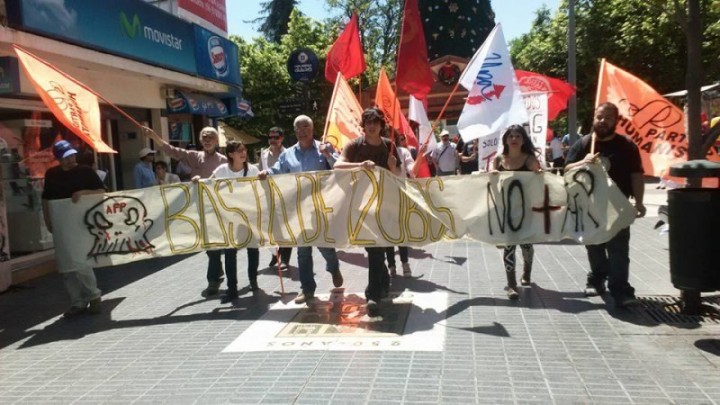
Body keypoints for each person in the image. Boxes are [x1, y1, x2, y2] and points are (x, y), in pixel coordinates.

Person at [564, 102, 646, 308]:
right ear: (594, 118)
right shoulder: (583, 144)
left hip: (618, 207)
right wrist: (583, 162)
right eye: (599, 117)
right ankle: (597, 279)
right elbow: (566, 169)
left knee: (619, 250)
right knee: (594, 246)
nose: (603, 121)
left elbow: (637, 174)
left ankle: (621, 290)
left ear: (616, 121)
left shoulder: (627, 146)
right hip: (590, 207)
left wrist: (639, 202)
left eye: (608, 118)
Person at [257, 115, 343, 305]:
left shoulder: (324, 148)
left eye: (306, 127)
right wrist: (266, 173)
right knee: (303, 251)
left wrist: (328, 155)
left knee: (324, 245)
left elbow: (339, 167)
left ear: (312, 129)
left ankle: (333, 267)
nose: (302, 130)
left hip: (321, 207)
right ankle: (307, 289)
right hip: (298, 209)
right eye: (298, 127)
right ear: (295, 131)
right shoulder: (288, 154)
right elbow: (277, 170)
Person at [334, 107, 402, 313]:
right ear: (363, 126)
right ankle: (384, 280)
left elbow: (399, 175)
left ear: (381, 125)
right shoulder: (355, 145)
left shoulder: (389, 145)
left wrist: (393, 167)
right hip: (360, 205)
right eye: (368, 122)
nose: (371, 126)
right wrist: (360, 165)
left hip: (384, 204)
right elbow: (337, 165)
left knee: (376, 247)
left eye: (375, 122)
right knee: (373, 248)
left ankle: (373, 295)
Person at [146, 126, 228, 296]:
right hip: (200, 207)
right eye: (204, 136)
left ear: (216, 140)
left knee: (215, 245)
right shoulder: (194, 156)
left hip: (219, 208)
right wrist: (154, 137)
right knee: (209, 245)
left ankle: (213, 280)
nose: (207, 139)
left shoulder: (223, 161)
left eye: (210, 137)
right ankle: (216, 271)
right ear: (200, 140)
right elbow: (172, 150)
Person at [42, 140, 106, 317]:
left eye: (72, 156)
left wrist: (83, 193)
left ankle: (94, 295)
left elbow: (101, 191)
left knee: (81, 261)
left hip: (81, 223)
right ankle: (77, 301)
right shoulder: (52, 174)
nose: (71, 160)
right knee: (65, 265)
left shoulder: (85, 171)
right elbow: (46, 198)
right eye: (66, 157)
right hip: (61, 224)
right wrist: (47, 218)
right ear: (58, 159)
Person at [491, 125, 542, 300]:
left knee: (526, 245)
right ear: (505, 140)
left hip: (526, 211)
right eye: (511, 136)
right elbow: (491, 184)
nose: (514, 139)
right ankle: (512, 284)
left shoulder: (529, 159)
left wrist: (538, 172)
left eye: (518, 136)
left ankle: (527, 271)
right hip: (506, 210)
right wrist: (492, 175)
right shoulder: (498, 159)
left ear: (523, 140)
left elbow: (540, 179)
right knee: (509, 245)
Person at [206, 140, 260, 303]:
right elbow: (207, 184)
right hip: (229, 218)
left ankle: (253, 280)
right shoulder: (222, 170)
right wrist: (197, 181)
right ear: (230, 154)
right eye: (239, 151)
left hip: (249, 217)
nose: (243, 153)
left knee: (253, 249)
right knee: (230, 253)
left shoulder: (253, 170)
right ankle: (232, 289)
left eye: (244, 150)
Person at [256, 126, 292, 270]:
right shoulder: (264, 154)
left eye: (275, 137)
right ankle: (275, 254)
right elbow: (259, 171)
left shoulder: (288, 153)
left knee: (286, 227)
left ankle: (285, 259)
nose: (272, 140)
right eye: (270, 137)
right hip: (268, 194)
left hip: (284, 193)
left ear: (281, 138)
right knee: (271, 227)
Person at [386, 132, 413, 278]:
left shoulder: (403, 152)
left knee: (401, 232)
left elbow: (412, 171)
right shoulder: (376, 152)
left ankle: (405, 262)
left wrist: (420, 156)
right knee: (388, 234)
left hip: (400, 196)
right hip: (384, 199)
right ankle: (391, 265)